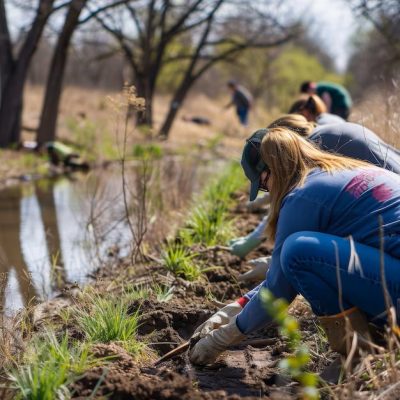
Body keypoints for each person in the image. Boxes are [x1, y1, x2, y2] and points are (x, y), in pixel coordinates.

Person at [190, 127, 400, 365]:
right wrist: (236, 306)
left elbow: (279, 289)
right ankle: (379, 336)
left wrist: (224, 336)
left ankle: (357, 352)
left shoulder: (302, 195)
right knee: (303, 255)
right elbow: (279, 277)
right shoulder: (347, 171)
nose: (267, 192)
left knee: (297, 252)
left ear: (272, 170)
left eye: (262, 185)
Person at [230, 115, 400, 262]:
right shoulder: (325, 132)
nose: (268, 190)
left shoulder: (320, 147)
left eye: (263, 185)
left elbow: (294, 203)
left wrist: (266, 255)